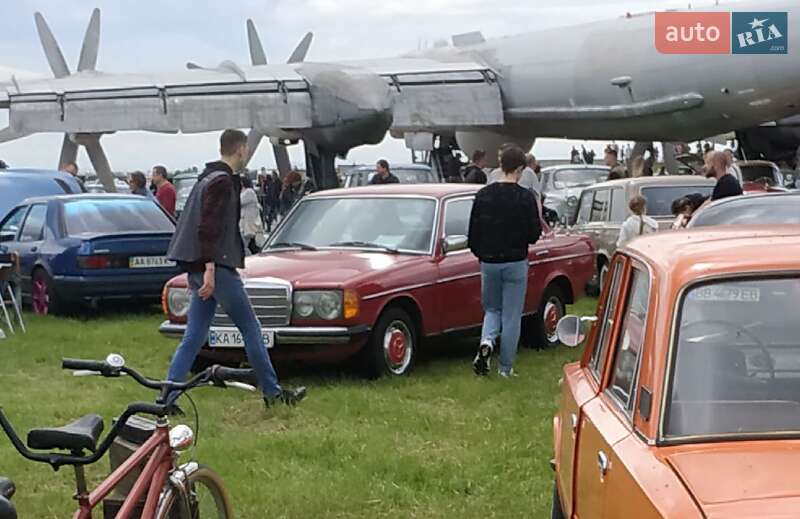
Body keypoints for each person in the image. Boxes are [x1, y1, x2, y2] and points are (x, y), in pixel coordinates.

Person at [165, 129, 305, 408]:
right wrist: (210, 269)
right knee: (250, 328)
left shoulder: (206, 178)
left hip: (200, 267)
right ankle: (273, 393)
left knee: (194, 336)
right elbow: (210, 228)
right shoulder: (222, 182)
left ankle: (167, 397)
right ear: (241, 149)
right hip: (216, 269)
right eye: (246, 150)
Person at [468, 145, 542, 378]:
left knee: (491, 309)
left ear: (501, 166)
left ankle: (487, 341)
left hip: (488, 262)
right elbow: (534, 233)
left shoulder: (483, 195)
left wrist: (482, 254)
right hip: (516, 262)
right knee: (511, 315)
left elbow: (473, 234)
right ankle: (505, 368)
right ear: (520, 168)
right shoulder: (525, 197)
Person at [240, 176, 265, 255]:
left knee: (248, 242)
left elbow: (240, 202)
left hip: (250, 222)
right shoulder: (243, 192)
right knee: (251, 243)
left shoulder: (249, 192)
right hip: (245, 222)